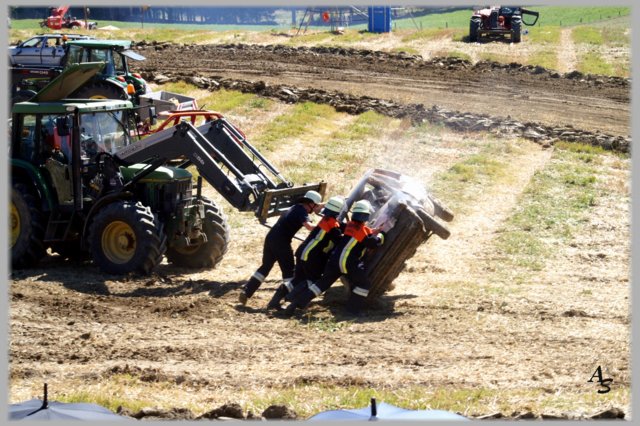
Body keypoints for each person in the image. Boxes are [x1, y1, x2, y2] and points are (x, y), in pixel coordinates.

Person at [280, 199, 385, 317]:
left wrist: (372, 231)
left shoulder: (349, 225)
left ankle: (294, 305)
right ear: (366, 216)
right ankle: (352, 311)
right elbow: (373, 243)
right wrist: (381, 235)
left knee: (321, 285)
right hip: (348, 263)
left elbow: (361, 232)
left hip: (334, 261)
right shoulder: (363, 231)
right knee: (363, 284)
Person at [238, 190, 323, 306]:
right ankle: (286, 300)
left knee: (265, 267)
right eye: (315, 206)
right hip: (281, 242)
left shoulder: (294, 207)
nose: (313, 210)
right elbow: (309, 227)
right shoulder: (302, 211)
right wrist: (324, 225)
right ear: (310, 204)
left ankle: (246, 292)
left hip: (271, 238)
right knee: (289, 273)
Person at [266, 195, 346, 311]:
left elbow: (339, 226)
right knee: (312, 281)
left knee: (296, 279)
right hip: (312, 256)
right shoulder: (333, 225)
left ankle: (274, 301)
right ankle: (293, 303)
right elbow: (340, 239)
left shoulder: (324, 220)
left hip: (302, 252)